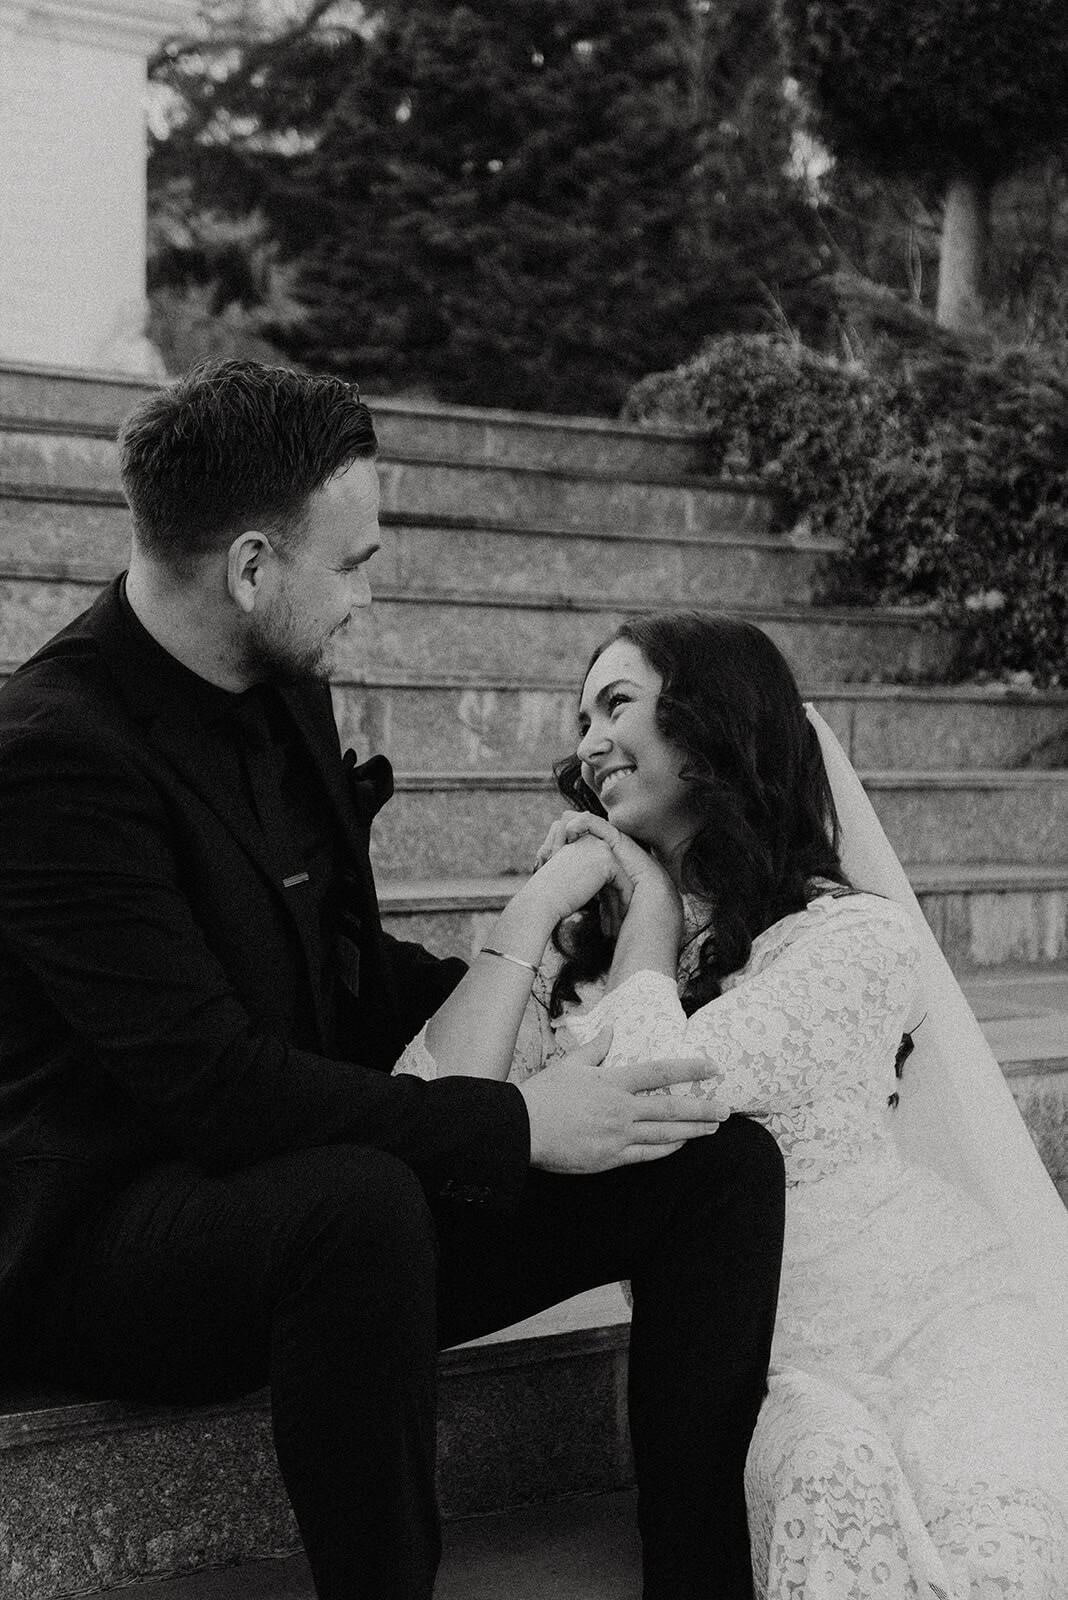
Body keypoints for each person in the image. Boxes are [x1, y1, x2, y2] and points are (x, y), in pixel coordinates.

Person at [0, 365, 786, 1600]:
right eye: (355, 562)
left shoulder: (285, 684)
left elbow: (350, 977)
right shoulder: (52, 756)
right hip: (108, 1240)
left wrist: (549, 1027)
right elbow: (213, 1091)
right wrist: (524, 1123)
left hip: (315, 1181)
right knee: (359, 1202)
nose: (372, 592)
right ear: (252, 568)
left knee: (714, 1161)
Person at [396, 610, 1068, 1598]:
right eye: (579, 716)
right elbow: (439, 1116)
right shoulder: (603, 982)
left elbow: (660, 1091)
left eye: (616, 702)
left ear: (711, 722)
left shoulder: (854, 944)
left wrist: (653, 917)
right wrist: (536, 917)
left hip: (920, 1341)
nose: (586, 743)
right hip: (772, 1386)